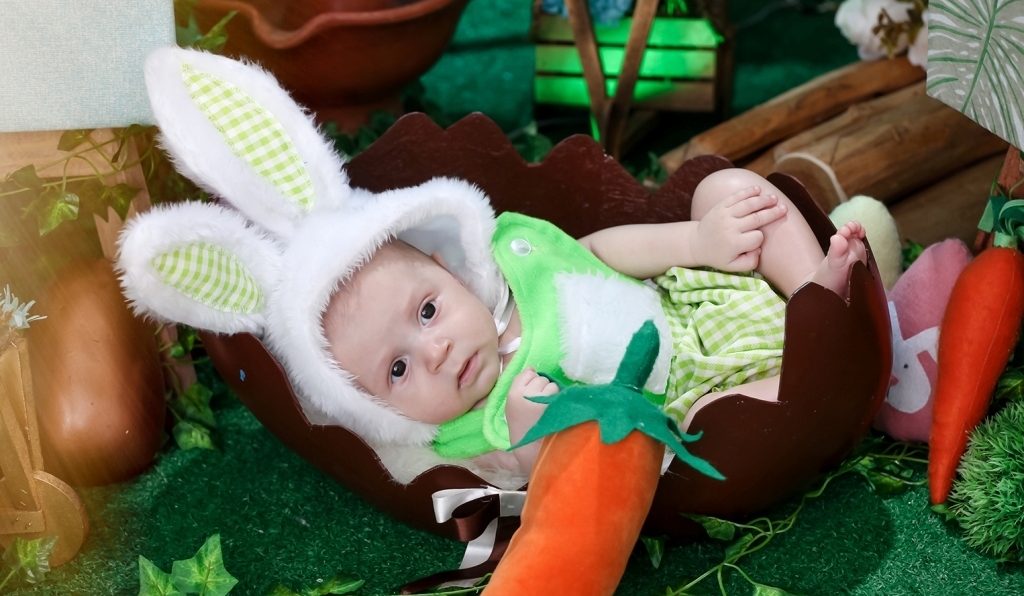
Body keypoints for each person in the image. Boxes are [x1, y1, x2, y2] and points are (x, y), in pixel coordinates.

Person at [322, 167, 867, 476]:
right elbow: (546, 488)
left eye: (427, 311)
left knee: (725, 191)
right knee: (715, 425)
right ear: (374, 407)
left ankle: (815, 294)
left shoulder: (513, 273)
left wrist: (698, 241)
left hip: (697, 304)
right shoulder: (472, 433)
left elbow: (597, 253)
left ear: (451, 273)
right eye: (397, 369)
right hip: (692, 399)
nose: (435, 351)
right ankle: (819, 370)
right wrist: (530, 434)